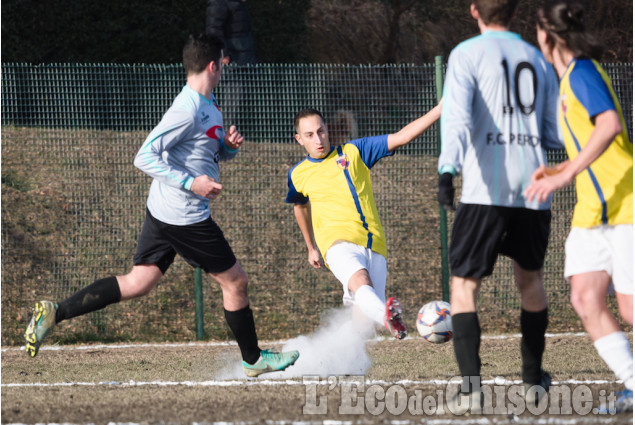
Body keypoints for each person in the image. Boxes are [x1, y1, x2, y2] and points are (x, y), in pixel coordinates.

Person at [24, 33, 299, 378]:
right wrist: (191, 183)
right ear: (213, 65)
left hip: (164, 211)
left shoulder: (209, 104)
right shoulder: (186, 109)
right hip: (184, 217)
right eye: (224, 62)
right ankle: (253, 359)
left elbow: (204, 154)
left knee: (139, 282)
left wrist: (227, 148)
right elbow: (144, 156)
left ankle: (55, 312)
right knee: (236, 282)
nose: (226, 67)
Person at [437, 0, 563, 413]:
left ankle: (471, 390)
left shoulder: (466, 54)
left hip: (484, 190)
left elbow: (456, 117)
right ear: (514, 12)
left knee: (463, 286)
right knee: (530, 281)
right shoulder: (537, 59)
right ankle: (532, 383)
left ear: (474, 10)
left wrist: (447, 170)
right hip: (533, 188)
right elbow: (551, 131)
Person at [524, 0, 633, 413]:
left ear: (546, 36)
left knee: (629, 308)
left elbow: (610, 126)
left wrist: (565, 176)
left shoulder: (582, 72)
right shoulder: (568, 80)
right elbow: (593, 143)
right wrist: (562, 168)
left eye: (535, 32)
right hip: (593, 211)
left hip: (625, 205)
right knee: (585, 298)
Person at [286, 104, 442, 341]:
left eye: (321, 131)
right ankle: (388, 318)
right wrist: (310, 247)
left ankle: (328, 354)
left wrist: (441, 108)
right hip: (336, 245)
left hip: (374, 244)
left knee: (361, 323)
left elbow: (402, 137)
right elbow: (300, 206)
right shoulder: (298, 174)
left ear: (327, 129)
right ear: (299, 139)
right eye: (309, 135)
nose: (318, 139)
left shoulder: (353, 152)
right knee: (361, 281)